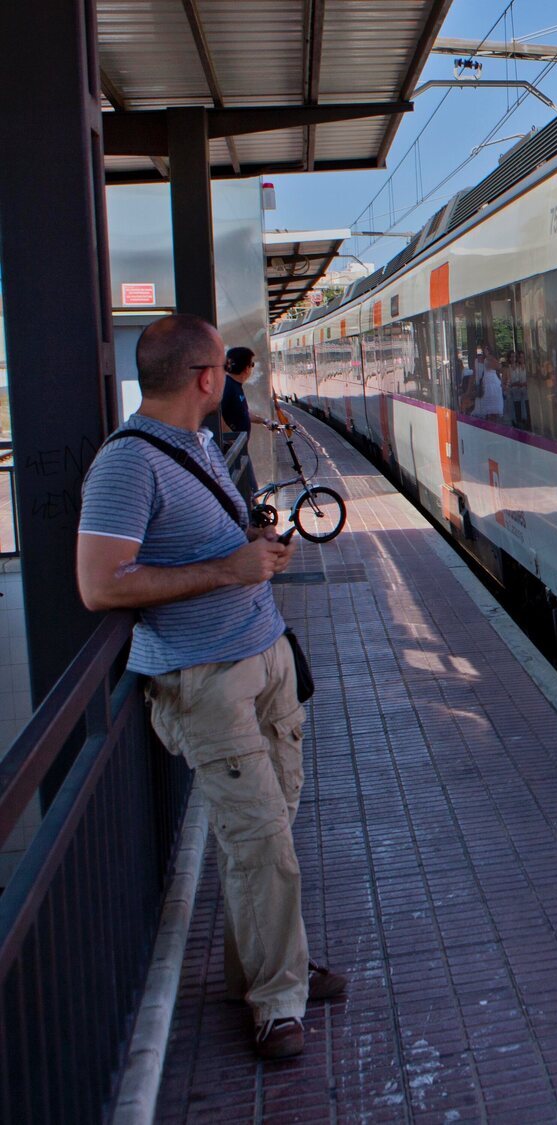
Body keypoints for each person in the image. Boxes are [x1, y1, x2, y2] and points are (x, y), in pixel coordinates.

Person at [75, 314, 345, 1062]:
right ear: (205, 377)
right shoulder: (127, 464)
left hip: (264, 661)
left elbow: (203, 545)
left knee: (267, 834)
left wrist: (249, 548)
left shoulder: (193, 442)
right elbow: (100, 585)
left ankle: (262, 966)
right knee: (262, 844)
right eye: (223, 370)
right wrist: (229, 570)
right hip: (208, 680)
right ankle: (277, 1001)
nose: (228, 381)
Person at [220, 346, 267, 495]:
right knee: (249, 491)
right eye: (251, 364)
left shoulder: (235, 386)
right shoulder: (227, 386)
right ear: (246, 368)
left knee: (251, 490)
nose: (252, 369)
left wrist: (265, 421)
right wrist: (232, 440)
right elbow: (216, 414)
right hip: (232, 452)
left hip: (239, 450)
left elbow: (244, 413)